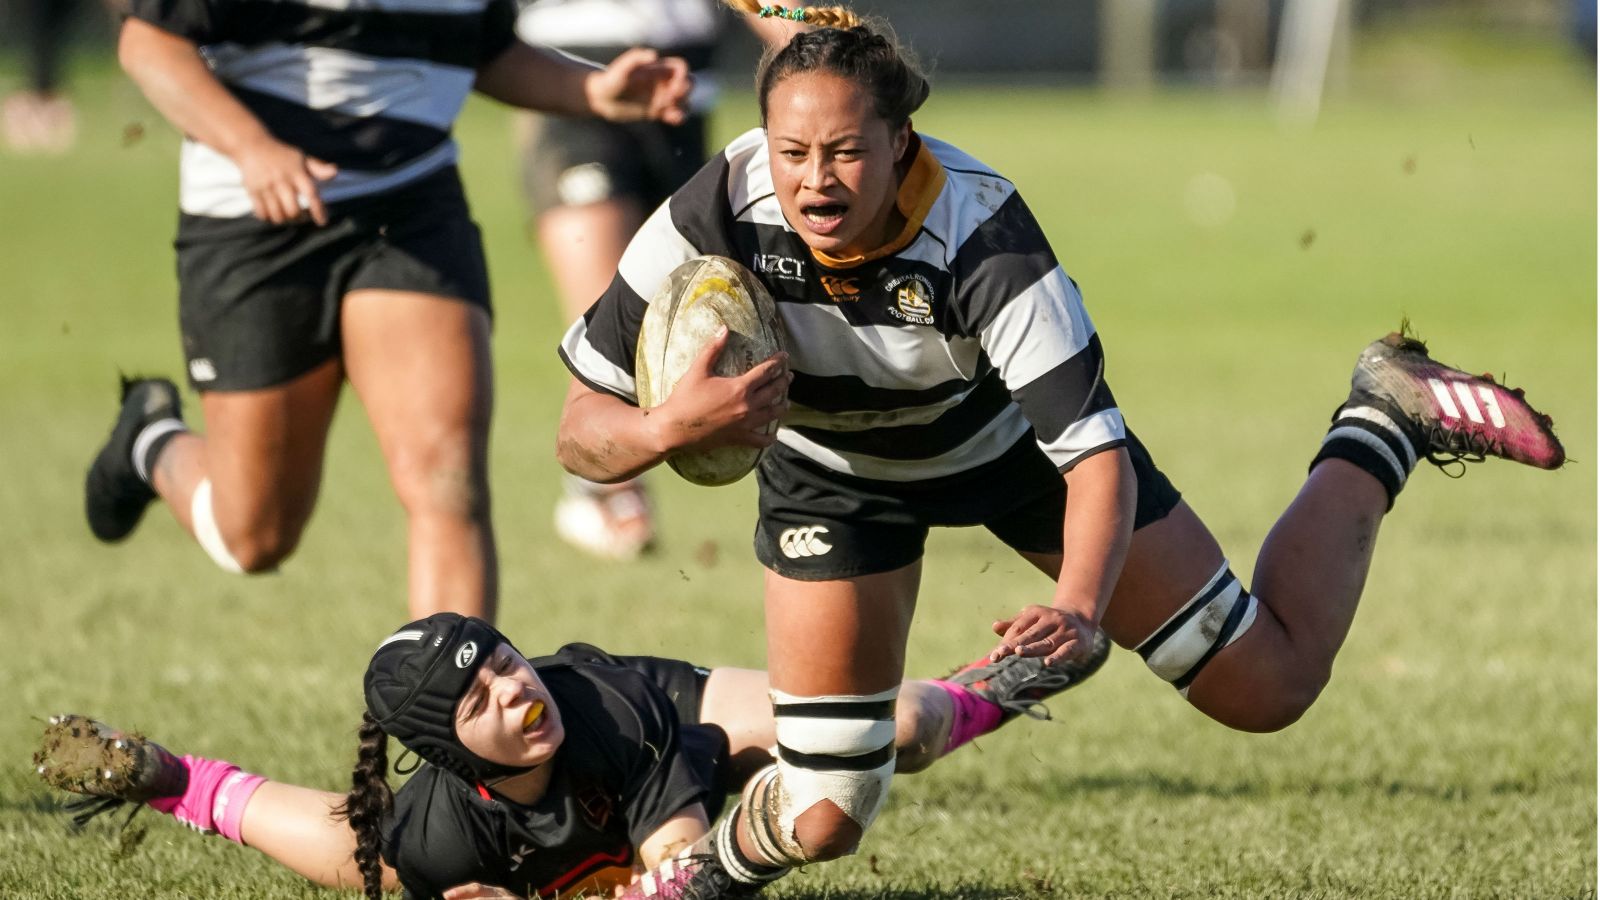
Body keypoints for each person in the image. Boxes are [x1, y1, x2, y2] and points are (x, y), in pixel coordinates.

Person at [553, 0, 1568, 890]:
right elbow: (578, 435)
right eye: (793, 153)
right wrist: (661, 430)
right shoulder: (715, 210)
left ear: (902, 141)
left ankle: (1382, 416)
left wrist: (1081, 609)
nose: (815, 182)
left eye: (846, 152)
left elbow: (1093, 458)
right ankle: (706, 880)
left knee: (1268, 688)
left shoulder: (983, 236)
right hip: (833, 479)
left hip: (1012, 456)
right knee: (826, 811)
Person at [84, 0, 693, 621]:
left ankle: (450, 711)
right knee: (255, 536)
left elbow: (484, 49)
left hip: (410, 212)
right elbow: (147, 43)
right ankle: (151, 441)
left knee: (448, 482)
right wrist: (251, 148)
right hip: (254, 222)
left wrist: (590, 88)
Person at [35, 612, 1107, 899]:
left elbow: (683, 874)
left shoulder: (585, 705)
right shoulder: (446, 828)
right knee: (356, 856)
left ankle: (993, 683)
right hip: (494, 826)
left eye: (504, 661)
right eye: (482, 696)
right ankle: (170, 778)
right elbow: (325, 831)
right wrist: (178, 785)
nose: (516, 690)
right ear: (447, 752)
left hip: (664, 710)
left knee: (887, 735)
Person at [512, 0, 800, 560]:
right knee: (606, 305)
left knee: (681, 301)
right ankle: (604, 488)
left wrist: (806, 36)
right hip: (569, 73)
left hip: (684, 85)